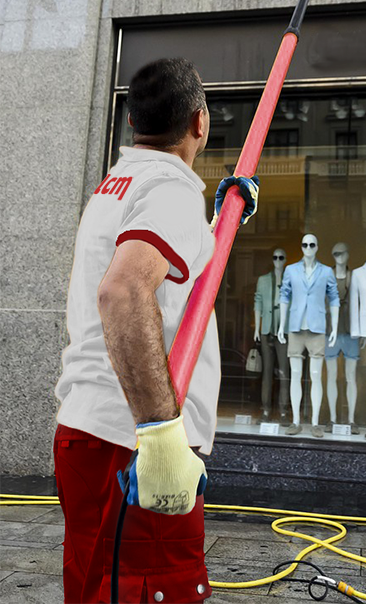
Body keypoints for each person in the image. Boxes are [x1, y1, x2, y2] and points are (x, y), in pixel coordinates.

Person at [53, 57, 259, 604]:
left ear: (131, 123)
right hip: (134, 445)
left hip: (88, 433)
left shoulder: (117, 185)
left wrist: (217, 225)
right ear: (200, 122)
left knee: (94, 588)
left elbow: (163, 277)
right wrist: (162, 436)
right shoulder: (170, 189)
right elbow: (123, 291)